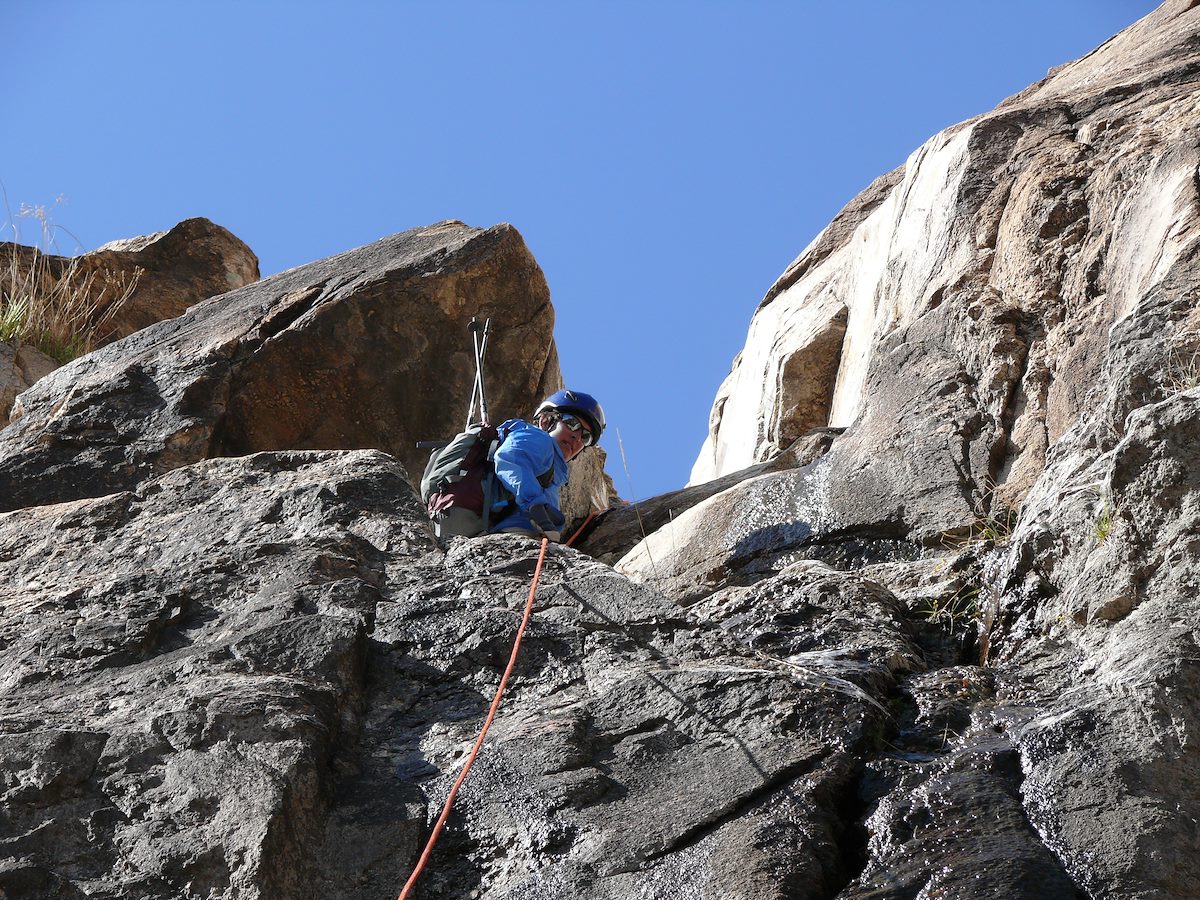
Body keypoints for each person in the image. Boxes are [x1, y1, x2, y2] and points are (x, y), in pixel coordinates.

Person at [488, 389, 605, 541]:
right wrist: (535, 507)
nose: (577, 436)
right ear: (545, 421)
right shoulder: (539, 438)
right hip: (512, 532)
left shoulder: (555, 473)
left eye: (586, 436)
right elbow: (510, 458)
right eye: (572, 423)